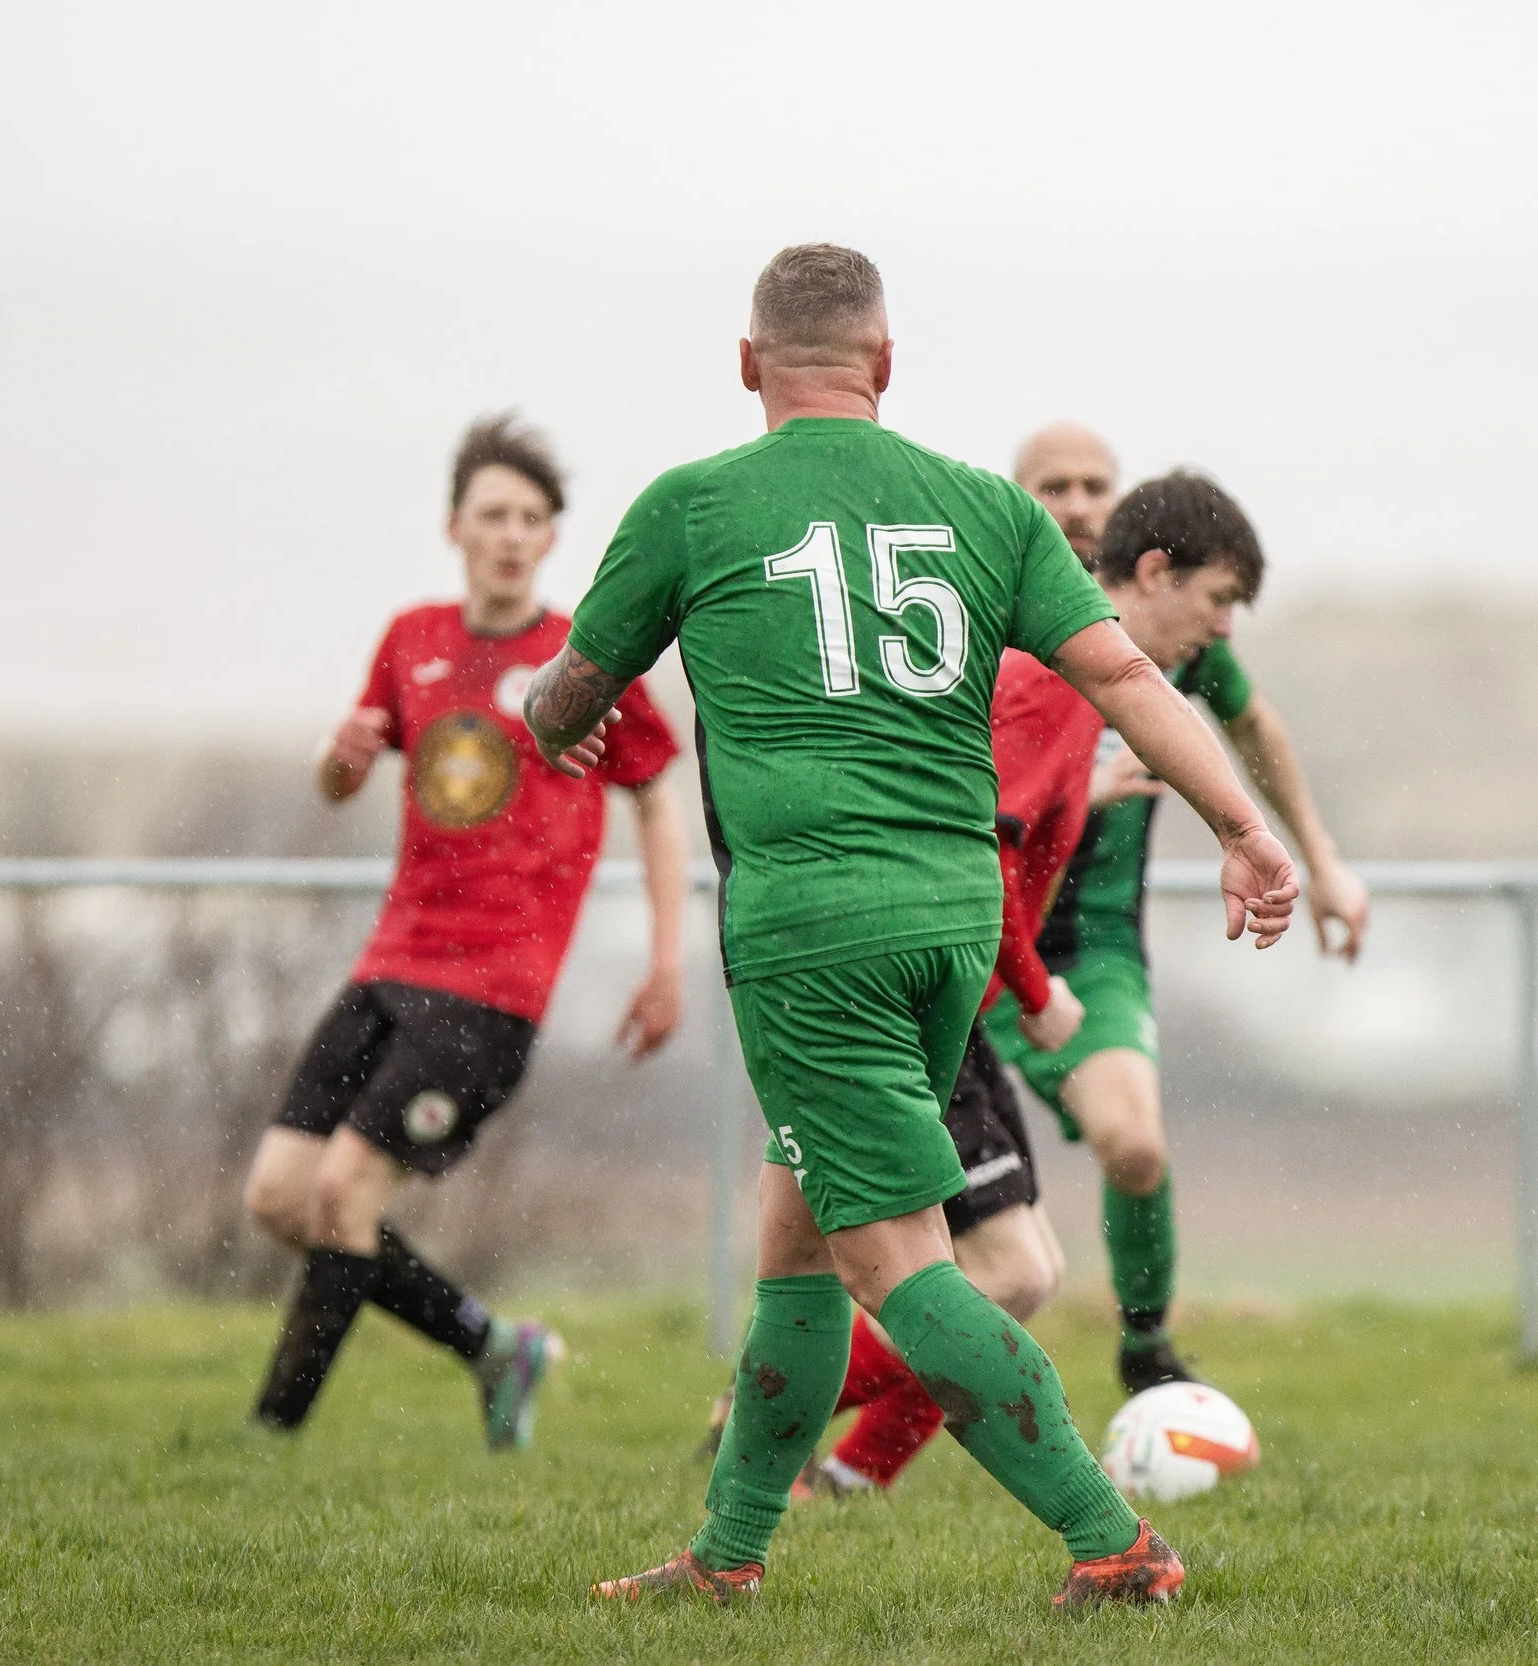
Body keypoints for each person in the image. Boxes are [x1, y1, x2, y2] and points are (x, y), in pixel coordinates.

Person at [525, 243, 1298, 1607]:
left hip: (813, 927)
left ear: (748, 363)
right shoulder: (986, 507)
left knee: (904, 1266)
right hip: (953, 925)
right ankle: (728, 1555)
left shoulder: (693, 506)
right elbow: (1123, 674)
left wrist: (553, 711)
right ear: (885, 364)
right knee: (801, 1244)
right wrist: (1243, 826)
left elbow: (573, 695)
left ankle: (1117, 1543)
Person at [240, 414, 689, 1450]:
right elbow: (340, 772)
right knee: (280, 1196)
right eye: (494, 513)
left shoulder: (582, 659)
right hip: (391, 962)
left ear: (550, 536)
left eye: (533, 518)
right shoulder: (412, 639)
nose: (512, 534)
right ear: (455, 525)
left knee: (345, 1196)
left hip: (494, 988)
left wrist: (666, 963)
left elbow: (657, 798)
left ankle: (267, 1438)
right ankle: (493, 1344)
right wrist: (338, 759)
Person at [986, 438, 1372, 1392]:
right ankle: (794, 1410)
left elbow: (1255, 727)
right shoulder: (1006, 632)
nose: (1077, 504)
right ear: (1018, 503)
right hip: (977, 938)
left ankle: (1147, 1350)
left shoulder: (1171, 643)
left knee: (1134, 1145)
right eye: (1053, 488)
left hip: (1092, 949)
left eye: (1093, 486)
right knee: (909, 1243)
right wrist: (1078, 787)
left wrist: (1321, 864)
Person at [756, 641, 1105, 1499]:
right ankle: (768, 1422)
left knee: (1023, 1274)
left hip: (945, 1001)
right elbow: (991, 852)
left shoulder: (1072, 695)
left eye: (1095, 491)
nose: (1216, 628)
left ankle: (839, 1477)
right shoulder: (1049, 689)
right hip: (927, 1000)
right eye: (1212, 602)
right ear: (1153, 575)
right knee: (1002, 1273)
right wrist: (1035, 992)